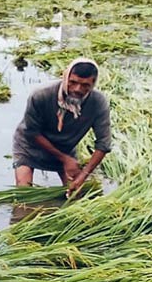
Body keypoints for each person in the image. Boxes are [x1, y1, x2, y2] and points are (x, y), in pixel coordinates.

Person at [12, 58, 112, 198]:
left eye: (85, 85)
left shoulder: (98, 103)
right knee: (24, 196)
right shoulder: (41, 95)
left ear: (93, 84)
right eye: (73, 82)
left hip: (65, 148)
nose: (77, 89)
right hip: (29, 147)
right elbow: (32, 132)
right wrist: (65, 159)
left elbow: (103, 144)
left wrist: (83, 175)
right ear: (65, 77)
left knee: (75, 194)